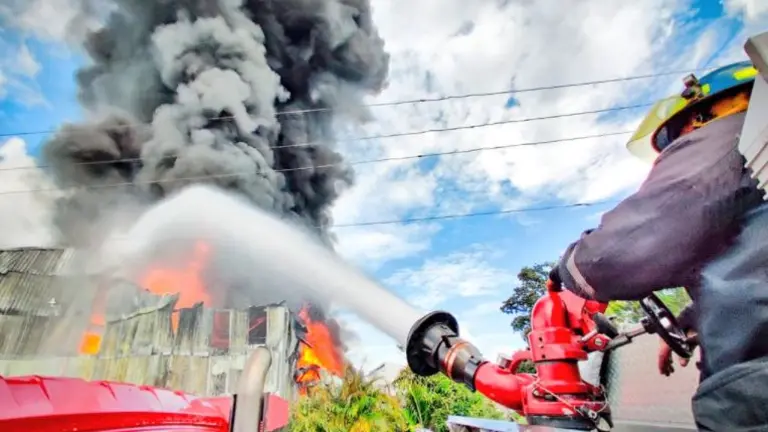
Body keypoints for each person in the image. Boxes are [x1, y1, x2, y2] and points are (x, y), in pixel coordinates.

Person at [547, 61, 768, 431]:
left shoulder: (735, 130)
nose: (684, 143)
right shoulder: (755, 161)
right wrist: (695, 319)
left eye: (682, 132)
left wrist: (570, 267)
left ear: (710, 109)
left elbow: (618, 252)